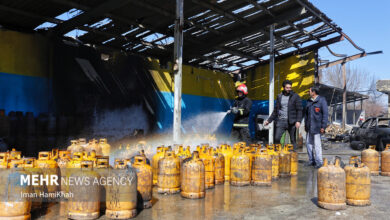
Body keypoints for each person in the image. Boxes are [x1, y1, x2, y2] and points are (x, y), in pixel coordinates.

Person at [264, 80, 302, 151]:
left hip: (291, 121)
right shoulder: (279, 96)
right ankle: (278, 154)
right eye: (287, 88)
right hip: (281, 121)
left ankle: (293, 156)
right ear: (283, 88)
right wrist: (269, 120)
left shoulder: (295, 96)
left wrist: (298, 121)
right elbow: (276, 110)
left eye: (290, 88)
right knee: (277, 138)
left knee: (293, 140)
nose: (289, 89)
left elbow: (299, 109)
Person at [303, 86, 328, 168]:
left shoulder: (321, 100)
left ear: (314, 92)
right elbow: (306, 115)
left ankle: (319, 162)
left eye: (309, 91)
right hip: (309, 127)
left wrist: (323, 126)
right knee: (308, 144)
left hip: (317, 127)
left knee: (317, 145)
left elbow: (325, 114)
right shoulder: (309, 101)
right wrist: (305, 125)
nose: (308, 92)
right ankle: (311, 160)